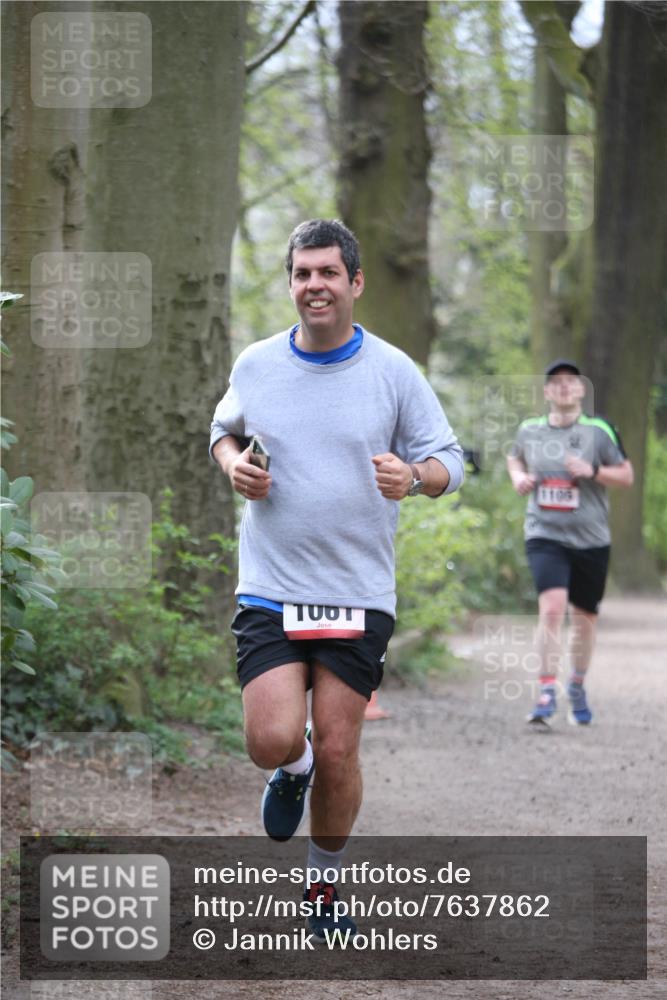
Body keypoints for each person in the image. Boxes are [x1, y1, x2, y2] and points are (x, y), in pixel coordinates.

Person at [210, 219, 464, 940]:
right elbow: (222, 430)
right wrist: (234, 465)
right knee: (270, 736)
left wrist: (414, 475)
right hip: (270, 582)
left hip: (356, 592)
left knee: (342, 746)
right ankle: (289, 770)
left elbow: (450, 460)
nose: (313, 285)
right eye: (301, 273)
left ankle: (323, 892)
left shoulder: (392, 372)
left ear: (354, 282)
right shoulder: (257, 364)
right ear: (290, 283)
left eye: (327, 272)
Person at [506, 359, 633, 727]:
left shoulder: (599, 431)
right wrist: (519, 478)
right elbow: (514, 457)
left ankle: (576, 684)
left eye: (570, 382)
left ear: (581, 390)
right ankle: (546, 690)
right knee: (551, 608)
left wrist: (593, 472)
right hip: (545, 534)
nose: (563, 387)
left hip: (591, 540)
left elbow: (626, 475)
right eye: (555, 382)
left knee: (584, 619)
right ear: (546, 392)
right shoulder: (530, 430)